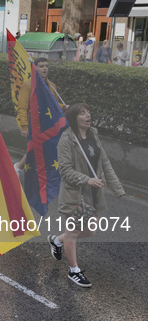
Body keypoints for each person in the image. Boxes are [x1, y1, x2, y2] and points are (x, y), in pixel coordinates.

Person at [47, 103, 125, 287]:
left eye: (88, 111)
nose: (88, 115)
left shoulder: (93, 135)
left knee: (90, 231)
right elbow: (65, 171)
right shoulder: (66, 140)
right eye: (83, 113)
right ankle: (73, 270)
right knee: (73, 232)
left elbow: (104, 162)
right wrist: (86, 179)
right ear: (75, 119)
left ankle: (57, 240)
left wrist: (117, 188)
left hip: (93, 195)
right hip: (75, 196)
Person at [14, 57, 67, 175]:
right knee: (35, 147)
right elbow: (22, 107)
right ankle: (18, 167)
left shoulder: (52, 85)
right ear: (35, 68)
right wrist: (24, 126)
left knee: (43, 148)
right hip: (35, 124)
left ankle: (22, 168)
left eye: (46, 66)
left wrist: (63, 107)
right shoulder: (28, 86)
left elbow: (52, 104)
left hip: (49, 123)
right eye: (41, 66)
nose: (45, 69)